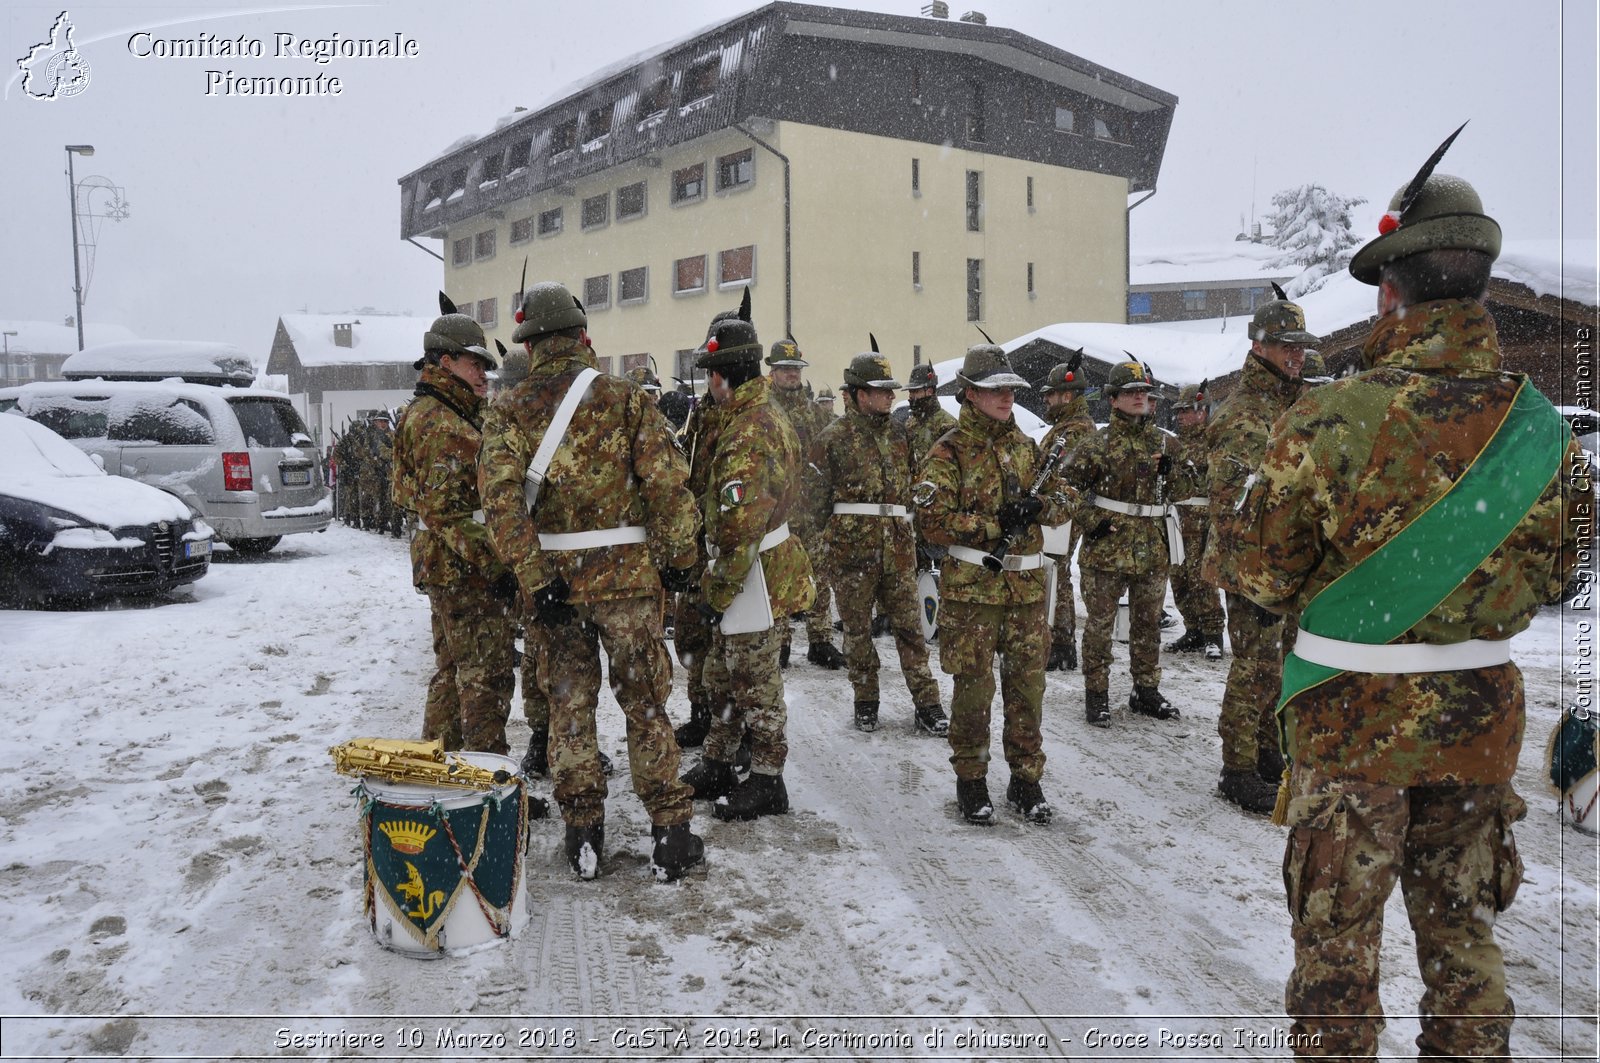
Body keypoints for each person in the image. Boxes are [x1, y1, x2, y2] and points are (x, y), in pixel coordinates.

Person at [1227, 143, 1585, 1060]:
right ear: (1481, 283)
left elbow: (1258, 576)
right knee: (1464, 941)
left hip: (1352, 726)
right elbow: (1564, 574)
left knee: (1338, 953)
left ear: (1391, 290)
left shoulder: (1328, 416)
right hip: (1480, 722)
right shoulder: (1544, 431)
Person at [479, 281, 704, 883]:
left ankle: (583, 833)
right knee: (646, 703)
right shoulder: (626, 399)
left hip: (554, 589)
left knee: (569, 707)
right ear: (583, 339)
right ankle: (671, 831)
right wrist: (680, 558)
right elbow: (668, 486)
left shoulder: (509, 409)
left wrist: (535, 576)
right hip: (627, 585)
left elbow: (501, 505)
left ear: (529, 347)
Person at [918, 343, 1065, 825]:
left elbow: (1066, 499)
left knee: (1028, 689)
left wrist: (1039, 508)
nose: (1006, 398)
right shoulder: (948, 450)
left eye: (1010, 389)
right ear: (969, 393)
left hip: (1025, 590)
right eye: (994, 389)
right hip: (973, 592)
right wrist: (990, 525)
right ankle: (971, 781)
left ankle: (1026, 781)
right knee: (973, 690)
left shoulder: (1027, 447)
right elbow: (930, 519)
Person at [678, 311, 814, 821]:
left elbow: (739, 532)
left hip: (751, 573)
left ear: (720, 376)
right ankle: (717, 758)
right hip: (744, 568)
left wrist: (713, 596)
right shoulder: (751, 416)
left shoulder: (750, 431)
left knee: (755, 680)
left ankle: (767, 778)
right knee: (723, 675)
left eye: (710, 375)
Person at [1201, 295, 1317, 813]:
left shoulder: (1295, 407)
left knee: (1284, 664)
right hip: (1251, 562)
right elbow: (1233, 504)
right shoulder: (1243, 414)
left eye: (1301, 347)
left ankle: (1269, 750)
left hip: (1290, 561)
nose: (1297, 356)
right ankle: (1238, 768)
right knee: (1253, 666)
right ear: (1259, 345)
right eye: (1286, 347)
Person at [390, 299, 518, 757]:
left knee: (453, 669)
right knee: (486, 674)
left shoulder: (439, 412)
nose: (484, 373)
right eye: (474, 363)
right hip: (466, 570)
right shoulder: (441, 423)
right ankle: (488, 780)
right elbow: (448, 514)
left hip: (450, 567)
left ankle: (439, 763)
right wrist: (501, 565)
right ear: (445, 363)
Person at [807, 349, 948, 736]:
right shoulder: (831, 439)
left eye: (891, 390)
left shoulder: (903, 435)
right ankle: (865, 699)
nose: (890, 397)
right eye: (880, 390)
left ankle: (927, 703)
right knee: (856, 632)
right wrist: (827, 548)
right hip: (852, 554)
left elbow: (915, 483)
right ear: (857, 393)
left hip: (899, 551)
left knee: (910, 630)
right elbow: (814, 503)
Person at [1058, 360, 1193, 727]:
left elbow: (1189, 490)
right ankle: (1097, 693)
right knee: (1100, 626)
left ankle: (1145, 690)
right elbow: (1064, 487)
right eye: (1131, 393)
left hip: (1151, 546)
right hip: (1107, 546)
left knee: (1148, 624)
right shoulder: (1095, 444)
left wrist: (1173, 472)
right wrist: (1088, 520)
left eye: (1144, 393)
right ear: (1114, 400)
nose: (1139, 398)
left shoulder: (1166, 443)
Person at [766, 336, 844, 670]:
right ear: (772, 371)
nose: (791, 374)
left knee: (819, 575)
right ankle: (780, 642)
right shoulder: (764, 412)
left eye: (795, 368)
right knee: (779, 576)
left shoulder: (816, 415)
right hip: (776, 513)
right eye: (784, 369)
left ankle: (820, 640)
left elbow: (832, 457)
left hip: (812, 511)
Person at [1036, 357, 1097, 671]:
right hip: (1067, 508)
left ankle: (1060, 643)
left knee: (1056, 572)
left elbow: (1057, 475)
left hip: (1065, 510)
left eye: (1052, 394)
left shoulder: (1072, 432)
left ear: (1068, 396)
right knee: (1056, 572)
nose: (1047, 399)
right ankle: (1060, 641)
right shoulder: (1071, 427)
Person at [1165, 382, 1225, 661]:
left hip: (1204, 522)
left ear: (1202, 411)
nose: (1181, 416)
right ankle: (1194, 629)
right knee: (1179, 578)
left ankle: (1213, 634)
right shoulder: (1174, 444)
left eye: (1187, 411)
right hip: (1177, 519)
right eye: (1179, 411)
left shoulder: (1216, 440)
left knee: (1203, 579)